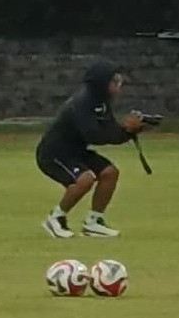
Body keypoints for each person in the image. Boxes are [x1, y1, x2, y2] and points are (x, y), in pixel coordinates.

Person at [37, 59, 153, 240]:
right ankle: (56, 219)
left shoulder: (102, 102)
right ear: (102, 83)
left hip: (75, 150)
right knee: (85, 180)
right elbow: (94, 135)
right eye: (114, 82)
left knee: (110, 173)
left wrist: (131, 130)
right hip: (54, 153)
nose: (119, 85)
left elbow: (111, 132)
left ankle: (93, 222)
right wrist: (125, 129)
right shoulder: (82, 103)